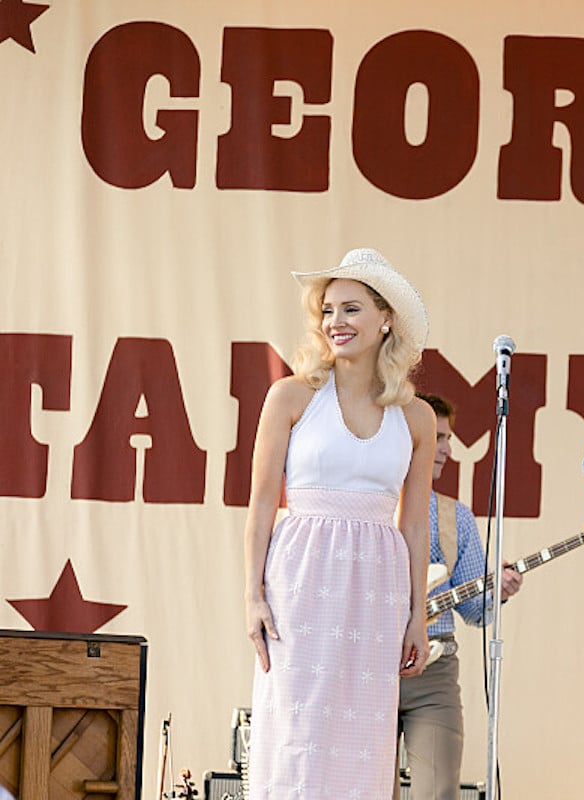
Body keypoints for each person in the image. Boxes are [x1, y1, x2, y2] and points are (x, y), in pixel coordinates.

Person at [243, 248, 435, 800]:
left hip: (377, 591)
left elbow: (415, 526)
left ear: (385, 318)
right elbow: (260, 505)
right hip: (299, 582)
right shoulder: (290, 396)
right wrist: (252, 596)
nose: (335, 323)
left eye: (351, 309)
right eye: (327, 311)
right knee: (294, 732)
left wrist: (417, 616)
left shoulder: (416, 416)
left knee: (362, 739)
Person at [394, 393, 523, 800]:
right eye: (440, 437)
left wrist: (496, 593)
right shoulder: (369, 506)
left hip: (435, 672)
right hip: (369, 664)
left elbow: (473, 611)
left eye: (448, 438)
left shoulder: (455, 516)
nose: (448, 449)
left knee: (439, 791)